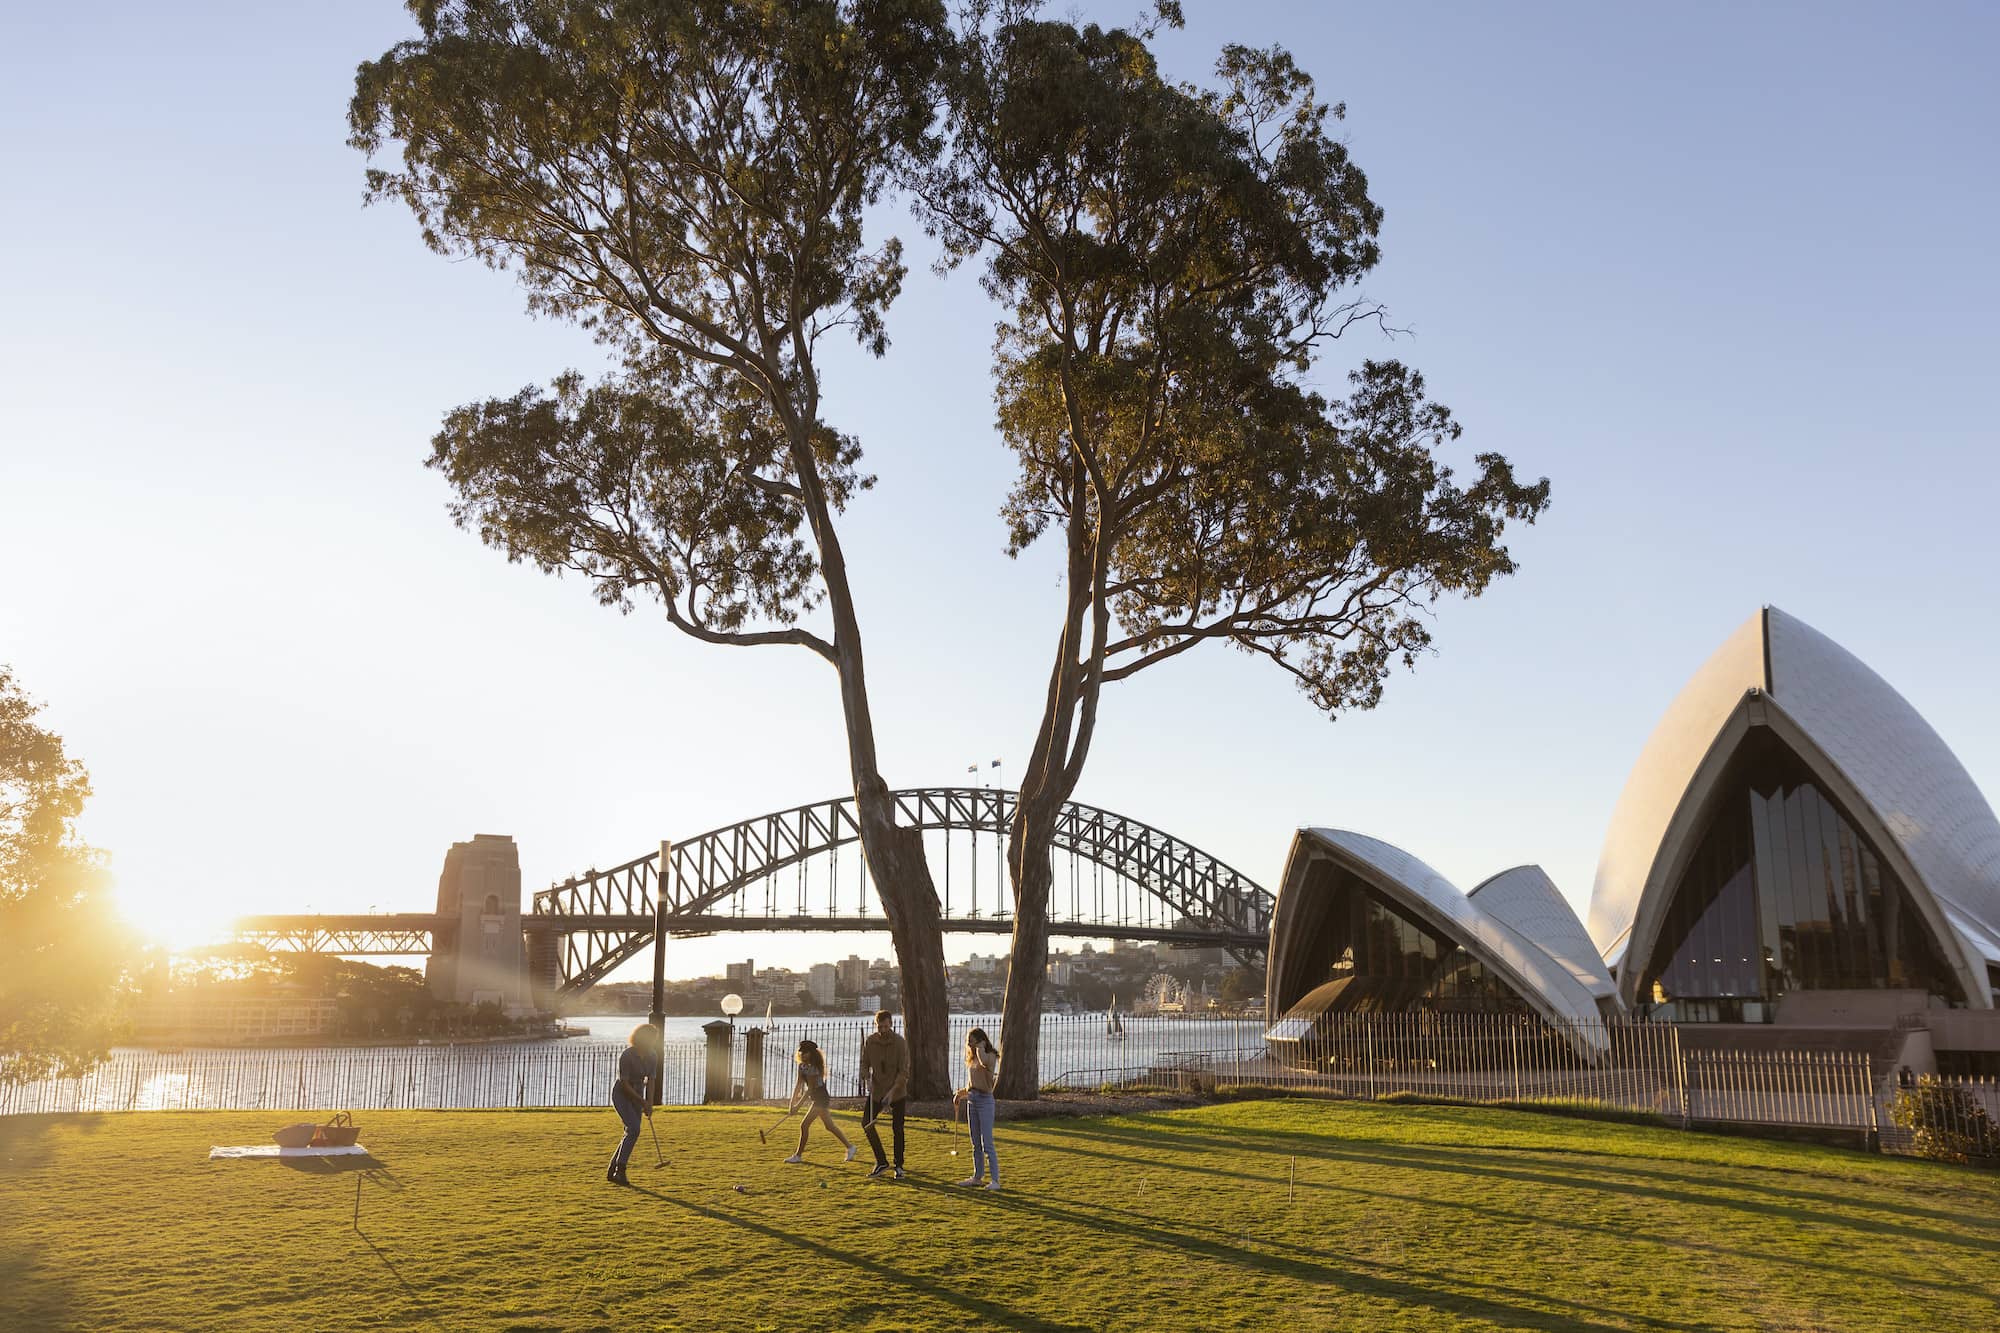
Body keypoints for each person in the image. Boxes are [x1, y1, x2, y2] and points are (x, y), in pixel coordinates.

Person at [782, 1039, 856, 1165]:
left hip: (821, 1098)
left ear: (811, 1053)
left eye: (805, 1052)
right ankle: (850, 1147)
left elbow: (810, 1089)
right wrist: (791, 1104)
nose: (802, 1055)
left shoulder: (813, 1068)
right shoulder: (802, 1066)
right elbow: (798, 1085)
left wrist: (797, 1106)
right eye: (801, 1052)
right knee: (829, 1126)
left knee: (804, 1125)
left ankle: (798, 1155)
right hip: (817, 1098)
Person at [858, 1009, 910, 1179]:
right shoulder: (870, 1041)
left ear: (891, 1025)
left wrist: (892, 1093)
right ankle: (881, 1161)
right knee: (866, 1123)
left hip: (897, 1092)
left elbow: (903, 1072)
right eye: (879, 1027)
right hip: (877, 1091)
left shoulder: (900, 1043)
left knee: (898, 1129)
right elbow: (864, 1064)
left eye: (885, 1026)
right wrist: (867, 1080)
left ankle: (899, 1166)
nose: (882, 1030)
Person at [608, 1022, 661, 1185]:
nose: (653, 1042)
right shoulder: (627, 1055)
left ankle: (613, 1169)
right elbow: (624, 1084)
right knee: (634, 1129)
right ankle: (620, 1171)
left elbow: (651, 1080)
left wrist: (649, 1103)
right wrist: (642, 1101)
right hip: (622, 1094)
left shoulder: (652, 1055)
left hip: (638, 1092)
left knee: (631, 1131)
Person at [953, 1028, 1001, 1191]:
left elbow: (984, 1063)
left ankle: (995, 1180)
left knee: (987, 1142)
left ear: (980, 1040)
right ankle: (977, 1176)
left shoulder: (989, 1056)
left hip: (985, 1101)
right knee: (975, 1142)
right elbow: (972, 1085)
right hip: (972, 1099)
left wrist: (980, 1047)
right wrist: (961, 1094)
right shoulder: (972, 1058)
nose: (969, 1044)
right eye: (968, 1041)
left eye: (972, 1041)